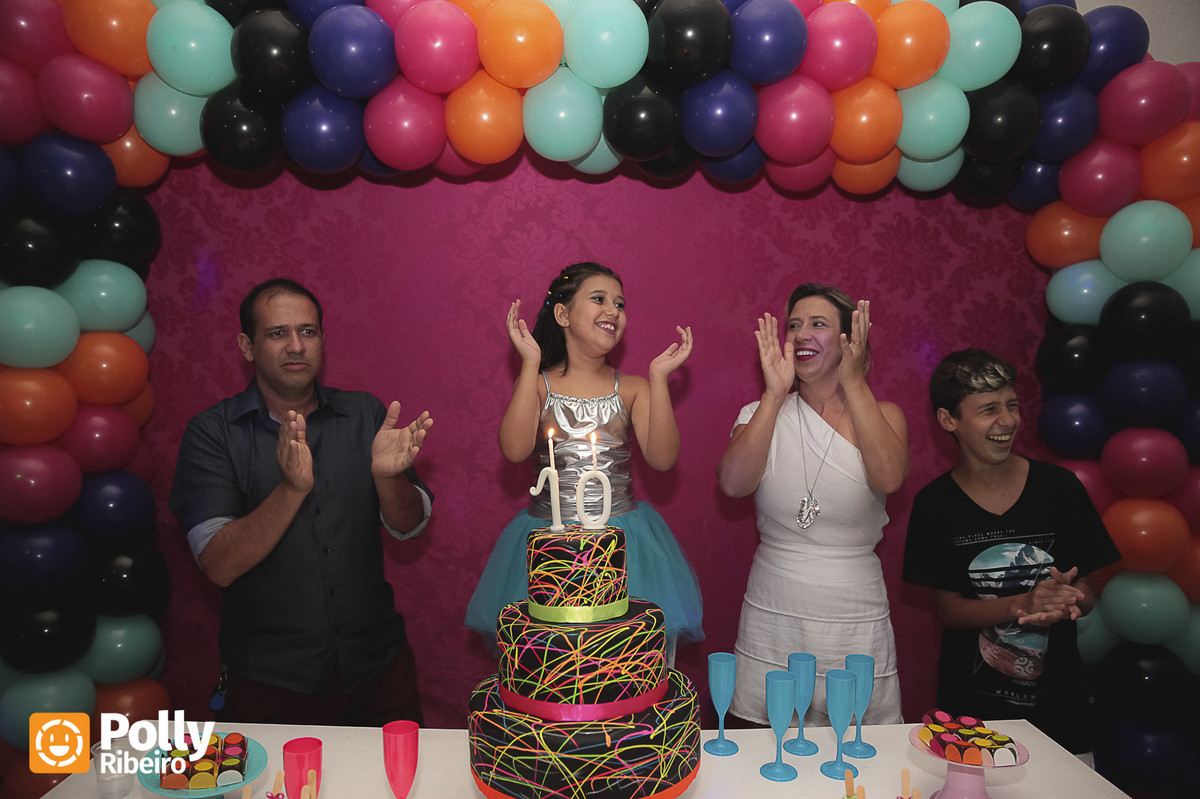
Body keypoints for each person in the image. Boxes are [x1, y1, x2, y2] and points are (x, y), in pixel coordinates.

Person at [169, 277, 434, 726]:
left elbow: (410, 525)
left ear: (322, 340)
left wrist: (388, 478)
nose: (296, 345)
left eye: (308, 331)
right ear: (247, 346)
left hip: (378, 669)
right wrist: (291, 489)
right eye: (278, 333)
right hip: (270, 682)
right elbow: (218, 564)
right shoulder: (213, 433)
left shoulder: (365, 415)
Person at [464, 262, 703, 662]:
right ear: (563, 314)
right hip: (549, 544)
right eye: (599, 299)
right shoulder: (538, 384)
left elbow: (663, 460)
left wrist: (659, 379)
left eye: (620, 304)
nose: (613, 310)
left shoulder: (634, 388)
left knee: (620, 663)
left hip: (623, 545)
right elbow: (514, 450)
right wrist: (529, 365)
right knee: (554, 662)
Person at [902, 349, 1120, 756]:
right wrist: (1023, 603)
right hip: (972, 717)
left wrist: (1067, 598)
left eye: (1012, 405)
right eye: (989, 409)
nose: (1007, 421)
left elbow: (1087, 595)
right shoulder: (934, 504)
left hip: (1062, 710)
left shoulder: (1061, 488)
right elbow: (951, 610)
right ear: (949, 420)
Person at [717, 283, 908, 726]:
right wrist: (773, 395)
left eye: (818, 324)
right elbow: (733, 484)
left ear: (848, 340)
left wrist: (853, 382)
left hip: (854, 609)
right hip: (776, 605)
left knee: (857, 742)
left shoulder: (886, 415)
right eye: (794, 325)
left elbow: (889, 477)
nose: (801, 334)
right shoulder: (757, 412)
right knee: (771, 741)